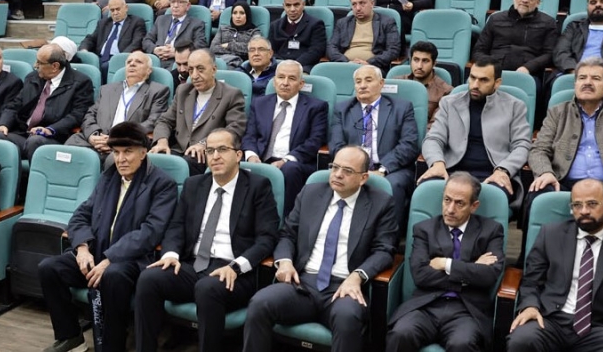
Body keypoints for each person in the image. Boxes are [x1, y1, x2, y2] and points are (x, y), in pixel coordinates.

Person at [136, 128, 279, 352]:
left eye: (222, 149)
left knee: (207, 288)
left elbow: (267, 238)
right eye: (210, 151)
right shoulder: (194, 185)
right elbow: (176, 226)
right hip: (194, 265)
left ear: (238, 155)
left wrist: (236, 267)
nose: (215, 156)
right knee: (149, 278)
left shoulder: (258, 187)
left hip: (234, 271)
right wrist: (171, 254)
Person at [243, 145, 397, 352]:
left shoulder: (381, 203)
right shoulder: (310, 193)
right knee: (260, 303)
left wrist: (357, 276)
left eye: (347, 171)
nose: (338, 174)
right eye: (335, 167)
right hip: (303, 284)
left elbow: (384, 250)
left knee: (347, 318)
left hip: (343, 287)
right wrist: (285, 262)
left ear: (363, 178)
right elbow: (288, 234)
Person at [40, 121, 177, 352]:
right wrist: (82, 248)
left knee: (112, 276)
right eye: (116, 152)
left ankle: (112, 346)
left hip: (132, 260)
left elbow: (150, 232)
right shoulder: (109, 176)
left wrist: (110, 258)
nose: (121, 159)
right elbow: (81, 214)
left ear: (143, 152)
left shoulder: (163, 184)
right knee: (49, 268)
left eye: (128, 152)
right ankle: (71, 337)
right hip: (96, 252)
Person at [507, 178, 603, 352]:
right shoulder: (550, 234)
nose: (584, 211)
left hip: (597, 325)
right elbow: (531, 280)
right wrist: (530, 306)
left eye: (592, 204)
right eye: (577, 205)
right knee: (522, 340)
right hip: (550, 320)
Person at [386, 173, 505, 352]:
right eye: (447, 200)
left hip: (466, 310)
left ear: (474, 206)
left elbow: (489, 275)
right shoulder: (424, 230)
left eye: (459, 203)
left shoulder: (491, 230)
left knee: (462, 343)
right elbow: (420, 275)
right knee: (401, 333)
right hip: (426, 306)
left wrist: (446, 264)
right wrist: (471, 271)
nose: (450, 209)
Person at [529, 57, 603, 206]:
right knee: (540, 190)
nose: (587, 82)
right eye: (582, 78)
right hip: (562, 183)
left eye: (595, 78)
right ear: (575, 84)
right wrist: (545, 172)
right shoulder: (557, 112)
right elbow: (539, 150)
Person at [419, 56, 531, 199]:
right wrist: (437, 163)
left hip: (493, 174)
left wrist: (504, 170)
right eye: (472, 78)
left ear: (497, 83)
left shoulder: (515, 106)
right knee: (427, 189)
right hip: (452, 171)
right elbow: (433, 138)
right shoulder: (449, 103)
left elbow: (522, 145)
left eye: (483, 80)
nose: (475, 85)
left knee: (495, 196)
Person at [330, 65, 419, 227]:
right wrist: (354, 170)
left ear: (381, 83)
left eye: (368, 80)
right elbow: (337, 145)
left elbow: (409, 144)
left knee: (393, 185)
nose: (362, 85)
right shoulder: (342, 109)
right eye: (358, 82)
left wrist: (383, 170)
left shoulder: (402, 108)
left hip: (391, 168)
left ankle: (389, 233)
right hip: (351, 167)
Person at [242, 60, 328, 216]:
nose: (285, 83)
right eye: (281, 77)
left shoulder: (316, 107)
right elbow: (250, 135)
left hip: (295, 162)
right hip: (261, 158)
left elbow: (315, 141)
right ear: (274, 81)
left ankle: (285, 219)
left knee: (290, 169)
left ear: (301, 84)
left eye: (292, 78)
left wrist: (285, 160)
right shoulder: (260, 103)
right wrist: (251, 156)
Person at [0, 43, 95, 160]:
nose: (35, 65)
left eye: (40, 63)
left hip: (54, 138)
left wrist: (50, 129)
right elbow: (14, 105)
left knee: (35, 142)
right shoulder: (32, 78)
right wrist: (3, 124)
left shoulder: (80, 82)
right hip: (23, 133)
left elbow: (77, 115)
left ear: (55, 66)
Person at [149, 50, 248, 175]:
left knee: (186, 164)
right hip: (179, 149)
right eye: (191, 70)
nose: (194, 76)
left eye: (200, 69)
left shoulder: (231, 95)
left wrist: (205, 144)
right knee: (151, 160)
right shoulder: (183, 91)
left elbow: (234, 129)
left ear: (213, 70)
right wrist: (162, 141)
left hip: (207, 153)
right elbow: (165, 120)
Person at [65, 53, 170, 162]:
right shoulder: (107, 89)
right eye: (129, 62)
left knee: (114, 158)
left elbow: (153, 121)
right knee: (69, 147)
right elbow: (90, 114)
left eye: (138, 62)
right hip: (99, 139)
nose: (132, 64)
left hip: (129, 139)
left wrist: (117, 138)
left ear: (149, 70)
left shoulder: (157, 91)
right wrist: (93, 136)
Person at [473, 0, 557, 83]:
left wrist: (528, 67)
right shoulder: (495, 19)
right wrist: (491, 66)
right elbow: (478, 51)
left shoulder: (548, 23)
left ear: (538, 2)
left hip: (528, 76)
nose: (525, 0)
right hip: (493, 74)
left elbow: (549, 54)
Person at [327, 0, 400, 74]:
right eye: (354, 4)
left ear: (372, 3)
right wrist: (347, 62)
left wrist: (369, 63)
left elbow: (393, 50)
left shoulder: (386, 22)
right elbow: (331, 48)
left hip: (373, 68)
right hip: (345, 67)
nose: (358, 8)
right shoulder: (343, 23)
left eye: (362, 3)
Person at [79, 0, 147, 75]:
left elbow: (136, 43)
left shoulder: (136, 22)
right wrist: (84, 49)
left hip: (120, 59)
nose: (115, 13)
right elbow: (90, 39)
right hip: (100, 58)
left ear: (126, 8)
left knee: (104, 67)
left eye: (118, 9)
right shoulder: (103, 23)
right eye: (112, 10)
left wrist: (118, 58)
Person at [390, 41, 454, 126]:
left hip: (425, 133)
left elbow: (435, 125)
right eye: (416, 60)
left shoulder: (445, 91)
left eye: (425, 61)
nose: (419, 66)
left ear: (434, 64)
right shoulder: (397, 82)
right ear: (410, 61)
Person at [142, 0, 208, 69]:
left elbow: (200, 45)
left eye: (180, 2)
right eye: (173, 2)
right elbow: (146, 40)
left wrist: (177, 52)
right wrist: (155, 49)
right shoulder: (161, 20)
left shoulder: (197, 24)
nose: (175, 5)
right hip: (156, 60)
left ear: (188, 6)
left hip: (177, 64)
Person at [267, 0, 327, 73]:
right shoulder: (275, 25)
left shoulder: (316, 24)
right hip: (279, 67)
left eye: (296, 5)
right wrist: (281, 64)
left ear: (303, 4)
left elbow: (316, 51)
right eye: (288, 5)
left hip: (303, 67)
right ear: (283, 6)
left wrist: (294, 65)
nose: (292, 9)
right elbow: (270, 50)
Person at [211, 1, 261, 69]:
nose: (238, 16)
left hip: (238, 65)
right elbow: (213, 48)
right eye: (235, 13)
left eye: (242, 13)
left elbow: (252, 49)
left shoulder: (254, 32)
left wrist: (228, 45)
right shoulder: (223, 29)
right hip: (218, 62)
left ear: (247, 15)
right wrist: (238, 49)